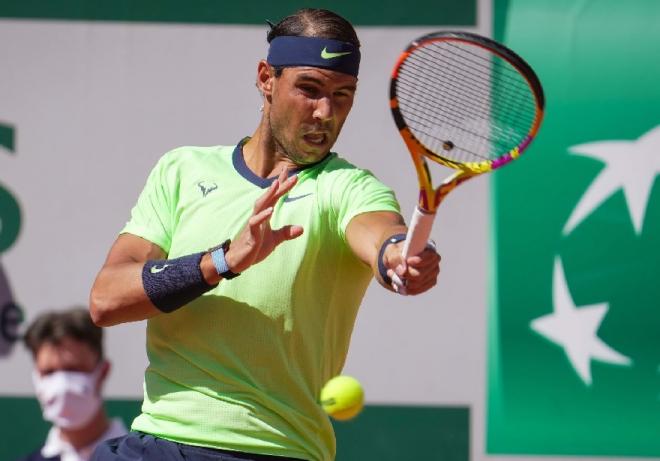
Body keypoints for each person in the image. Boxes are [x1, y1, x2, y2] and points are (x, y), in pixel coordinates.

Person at [89, 8, 440, 461]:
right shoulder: (182, 170)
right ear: (266, 78)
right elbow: (105, 299)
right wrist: (223, 261)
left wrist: (397, 256)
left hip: (272, 450)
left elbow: (380, 235)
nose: (325, 112)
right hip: (159, 441)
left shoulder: (349, 188)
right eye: (309, 89)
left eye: (343, 95)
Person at [17, 308, 127, 461]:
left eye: (73, 369)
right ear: (36, 376)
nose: (61, 384)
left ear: (103, 373)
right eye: (49, 372)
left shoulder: (144, 457)